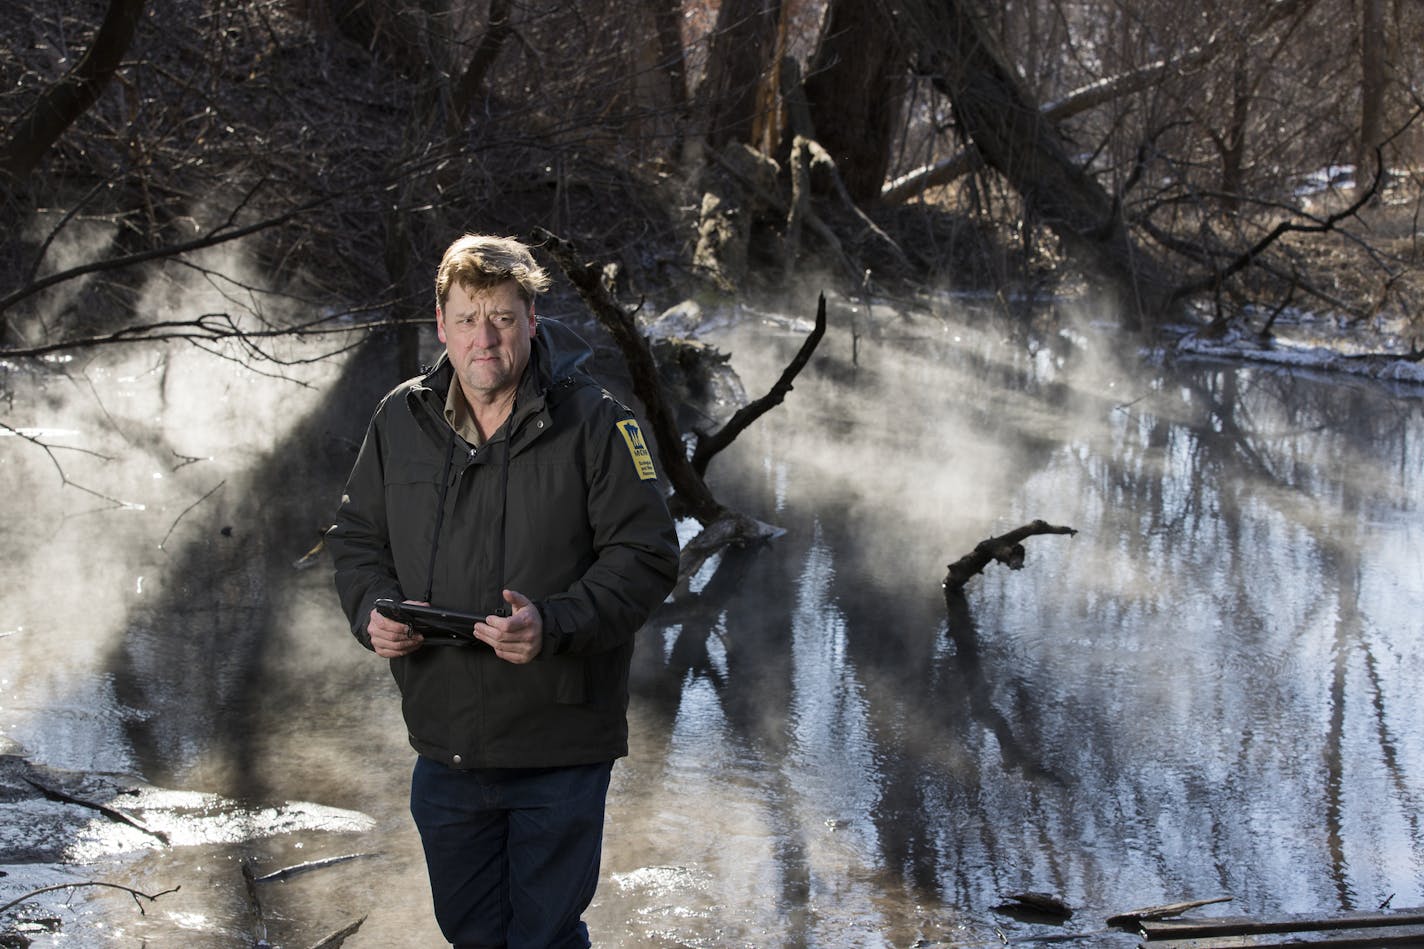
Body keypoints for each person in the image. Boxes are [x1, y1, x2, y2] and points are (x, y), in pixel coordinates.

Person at [327, 234, 680, 948]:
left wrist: (553, 623)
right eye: (467, 318)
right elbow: (357, 538)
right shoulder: (401, 419)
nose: (483, 337)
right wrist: (371, 612)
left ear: (532, 322)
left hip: (558, 742)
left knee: (544, 937)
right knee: (471, 932)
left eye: (502, 318)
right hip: (446, 743)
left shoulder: (599, 422)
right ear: (441, 324)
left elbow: (646, 556)